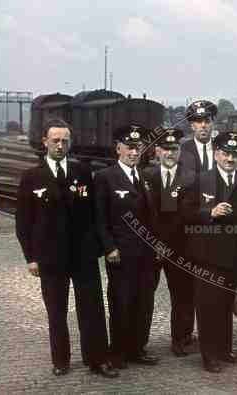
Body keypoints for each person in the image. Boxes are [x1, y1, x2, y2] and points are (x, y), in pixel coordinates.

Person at [15, 119, 118, 378]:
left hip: (83, 255)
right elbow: (23, 222)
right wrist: (31, 258)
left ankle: (97, 359)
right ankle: (61, 360)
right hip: (50, 257)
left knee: (93, 309)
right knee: (56, 311)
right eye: (55, 140)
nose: (60, 145)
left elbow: (95, 213)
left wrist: (98, 247)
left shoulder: (82, 172)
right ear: (45, 142)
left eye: (65, 141)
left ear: (70, 143)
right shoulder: (32, 177)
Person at [182, 131, 237, 373]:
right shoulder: (200, 180)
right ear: (216, 154)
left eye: (234, 154)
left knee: (225, 305)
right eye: (225, 153)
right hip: (207, 255)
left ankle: (224, 349)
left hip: (235, 255)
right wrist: (208, 213)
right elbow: (183, 213)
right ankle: (208, 355)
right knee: (208, 306)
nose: (230, 158)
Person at [94, 124, 159, 368]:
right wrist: (109, 247)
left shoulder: (144, 176)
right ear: (118, 148)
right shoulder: (105, 177)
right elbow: (100, 217)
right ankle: (118, 351)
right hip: (120, 254)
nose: (134, 152)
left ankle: (137, 348)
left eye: (138, 148)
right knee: (121, 302)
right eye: (130, 147)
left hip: (145, 255)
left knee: (144, 303)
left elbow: (151, 217)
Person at [143, 127, 198, 357]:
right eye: (165, 148)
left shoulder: (190, 178)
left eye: (174, 149)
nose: (170, 153)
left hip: (180, 247)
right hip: (150, 248)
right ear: (157, 150)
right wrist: (154, 243)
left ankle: (181, 338)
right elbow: (144, 214)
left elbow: (185, 214)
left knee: (183, 296)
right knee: (145, 294)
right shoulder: (146, 176)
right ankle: (140, 342)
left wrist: (164, 243)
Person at [181, 100, 218, 173]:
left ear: (212, 124)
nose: (203, 125)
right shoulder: (182, 150)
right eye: (199, 121)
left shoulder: (220, 148)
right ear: (192, 126)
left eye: (207, 121)